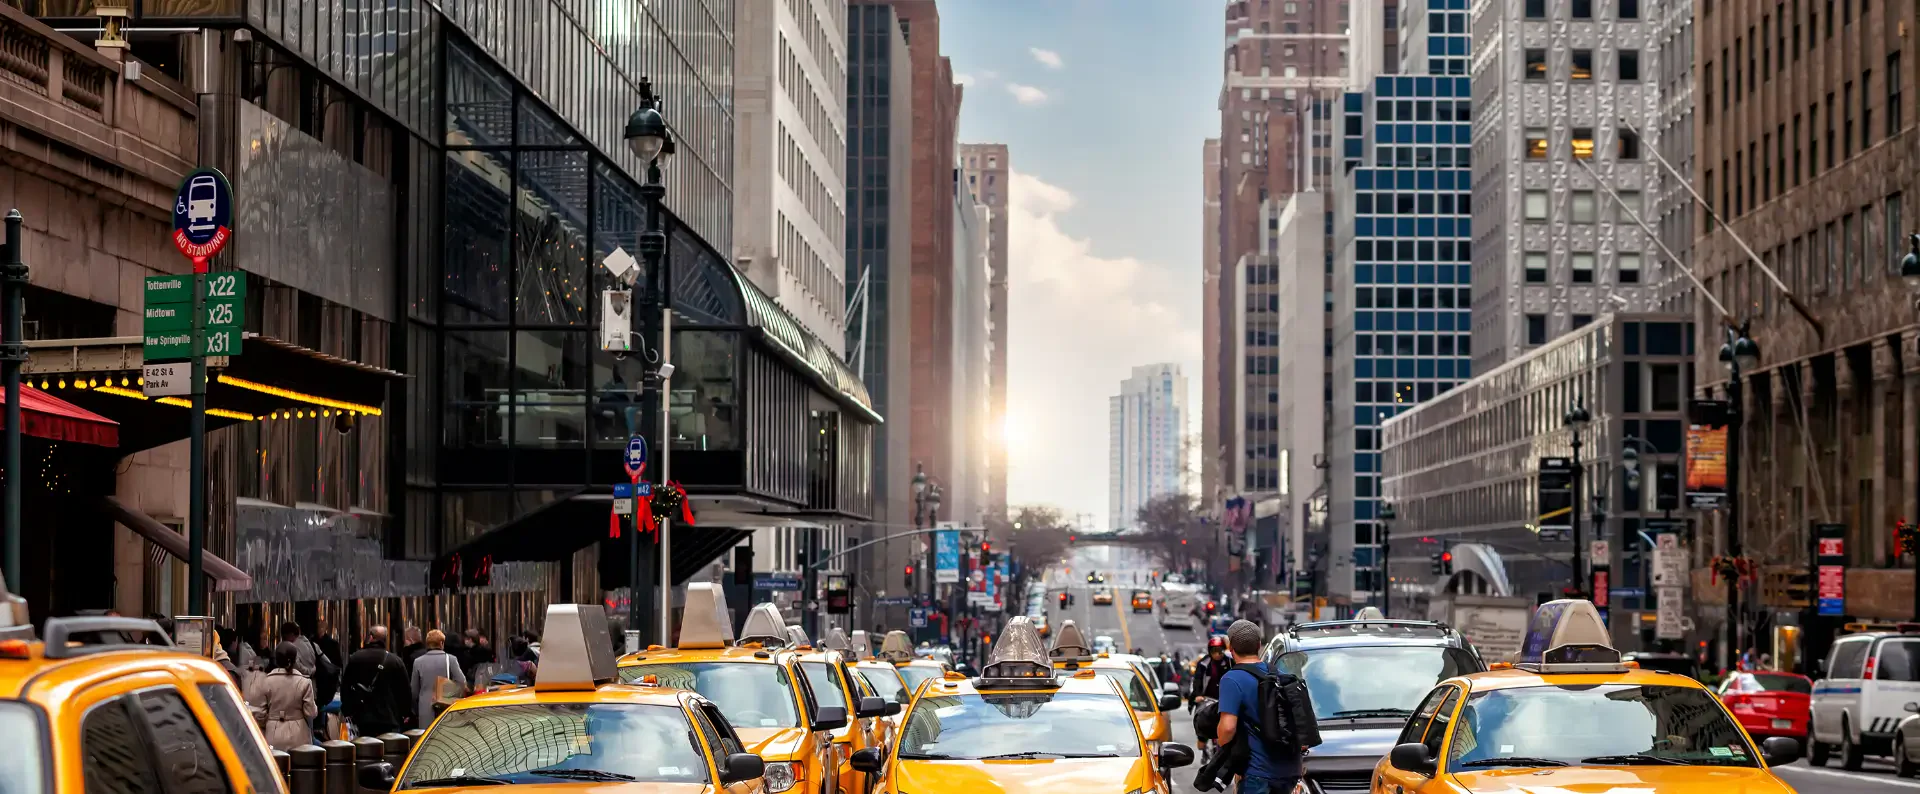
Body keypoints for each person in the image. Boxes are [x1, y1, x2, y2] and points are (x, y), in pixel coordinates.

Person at [1213, 620, 1309, 794]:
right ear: (1258, 645)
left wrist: (1221, 746)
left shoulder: (1232, 679)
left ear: (1231, 648)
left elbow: (1227, 728)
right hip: (1289, 771)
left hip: (1257, 773)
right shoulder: (1277, 674)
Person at [341, 625, 411, 735]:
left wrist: (348, 711)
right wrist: (405, 713)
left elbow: (345, 686)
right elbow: (404, 690)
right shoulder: (396, 661)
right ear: (385, 639)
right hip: (389, 717)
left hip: (362, 716)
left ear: (370, 637)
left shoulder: (356, 658)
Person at [249, 643, 319, 751]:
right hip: (299, 735)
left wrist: (271, 720)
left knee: (276, 765)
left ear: (276, 660)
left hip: (273, 733)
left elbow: (259, 715)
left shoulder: (265, 682)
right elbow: (311, 713)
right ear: (295, 660)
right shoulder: (304, 682)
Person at [409, 630, 469, 728]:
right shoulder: (451, 659)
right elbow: (462, 682)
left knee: (427, 736)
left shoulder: (418, 662)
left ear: (427, 644)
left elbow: (414, 691)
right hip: (445, 705)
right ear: (441, 643)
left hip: (425, 707)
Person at [1192, 636, 1233, 713]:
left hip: (1226, 699)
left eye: (1220, 651)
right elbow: (1197, 680)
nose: (1217, 654)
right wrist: (1198, 695)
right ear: (1210, 651)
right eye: (1214, 651)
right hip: (1207, 699)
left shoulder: (1230, 662)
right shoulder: (1203, 663)